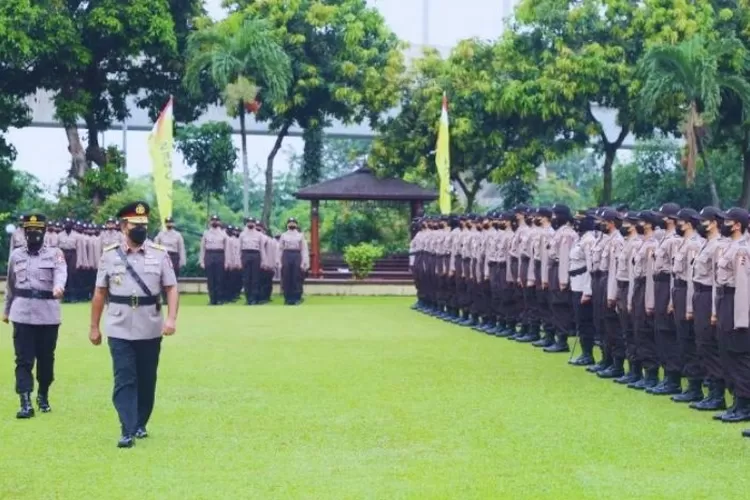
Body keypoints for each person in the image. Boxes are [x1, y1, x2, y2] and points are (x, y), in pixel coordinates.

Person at [89, 201, 179, 448]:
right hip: (118, 325)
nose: (140, 228)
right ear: (123, 226)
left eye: (144, 225)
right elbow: (99, 293)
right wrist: (94, 327)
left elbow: (171, 288)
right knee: (124, 377)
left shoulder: (160, 254)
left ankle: (140, 422)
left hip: (150, 326)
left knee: (146, 378)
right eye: (135, 225)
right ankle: (127, 428)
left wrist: (171, 318)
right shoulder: (109, 256)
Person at [3, 213, 67, 419]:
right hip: (21, 314)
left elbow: (60, 272)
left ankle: (43, 394)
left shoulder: (55, 253)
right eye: (29, 229)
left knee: (46, 359)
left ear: (45, 231)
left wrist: (59, 287)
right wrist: (6, 311)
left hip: (48, 314)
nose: (33, 233)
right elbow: (11, 286)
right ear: (23, 231)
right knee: (23, 360)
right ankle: (25, 402)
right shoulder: (16, 256)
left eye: (38, 229)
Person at [712, 207, 750, 425]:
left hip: (736, 301)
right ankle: (737, 401)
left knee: (739, 355)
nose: (723, 224)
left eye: (728, 221)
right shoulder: (731, 247)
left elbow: (743, 287)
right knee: (727, 352)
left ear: (737, 224)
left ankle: (744, 404)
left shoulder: (742, 250)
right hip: (725, 300)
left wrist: (741, 320)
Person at [690, 207, 729, 412]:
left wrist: (714, 311)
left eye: (703, 220)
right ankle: (711, 391)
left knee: (709, 345)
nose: (700, 224)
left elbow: (717, 281)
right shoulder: (706, 244)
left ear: (713, 222)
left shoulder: (718, 246)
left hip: (709, 296)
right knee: (702, 344)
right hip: (699, 295)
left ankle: (717, 394)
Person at [670, 208, 705, 403]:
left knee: (690, 340)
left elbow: (692, 279)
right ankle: (691, 385)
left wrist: (690, 306)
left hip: (688, 292)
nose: (677, 225)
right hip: (679, 290)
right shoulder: (684, 243)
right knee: (683, 339)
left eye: (680, 222)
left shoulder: (693, 245)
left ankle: (695, 386)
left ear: (689, 223)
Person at [278, 217, 309, 305]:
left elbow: (303, 249)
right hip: (286, 254)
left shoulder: (300, 235)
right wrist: (279, 261)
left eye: (293, 223)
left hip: (296, 254)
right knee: (287, 277)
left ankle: (296, 298)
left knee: (296, 277)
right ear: (287, 225)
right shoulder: (283, 235)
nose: (292, 224)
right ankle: (287, 298)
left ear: (296, 225)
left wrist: (304, 261)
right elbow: (280, 249)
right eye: (290, 223)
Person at [200, 215, 229, 305]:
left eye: (216, 220)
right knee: (210, 279)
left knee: (219, 278)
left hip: (220, 255)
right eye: (213, 220)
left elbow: (227, 249)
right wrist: (202, 260)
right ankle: (212, 299)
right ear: (210, 222)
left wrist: (227, 261)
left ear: (219, 222)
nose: (215, 222)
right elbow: (202, 248)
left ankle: (220, 299)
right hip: (209, 254)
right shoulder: (206, 233)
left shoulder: (224, 234)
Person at [240, 218, 266, 305]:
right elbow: (239, 249)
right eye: (249, 222)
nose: (250, 223)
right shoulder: (242, 234)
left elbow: (262, 249)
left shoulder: (259, 235)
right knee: (246, 278)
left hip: (255, 254)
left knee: (255, 278)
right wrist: (238, 260)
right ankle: (248, 298)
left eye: (252, 222)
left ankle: (254, 298)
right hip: (245, 254)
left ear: (255, 224)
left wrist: (263, 261)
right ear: (246, 223)